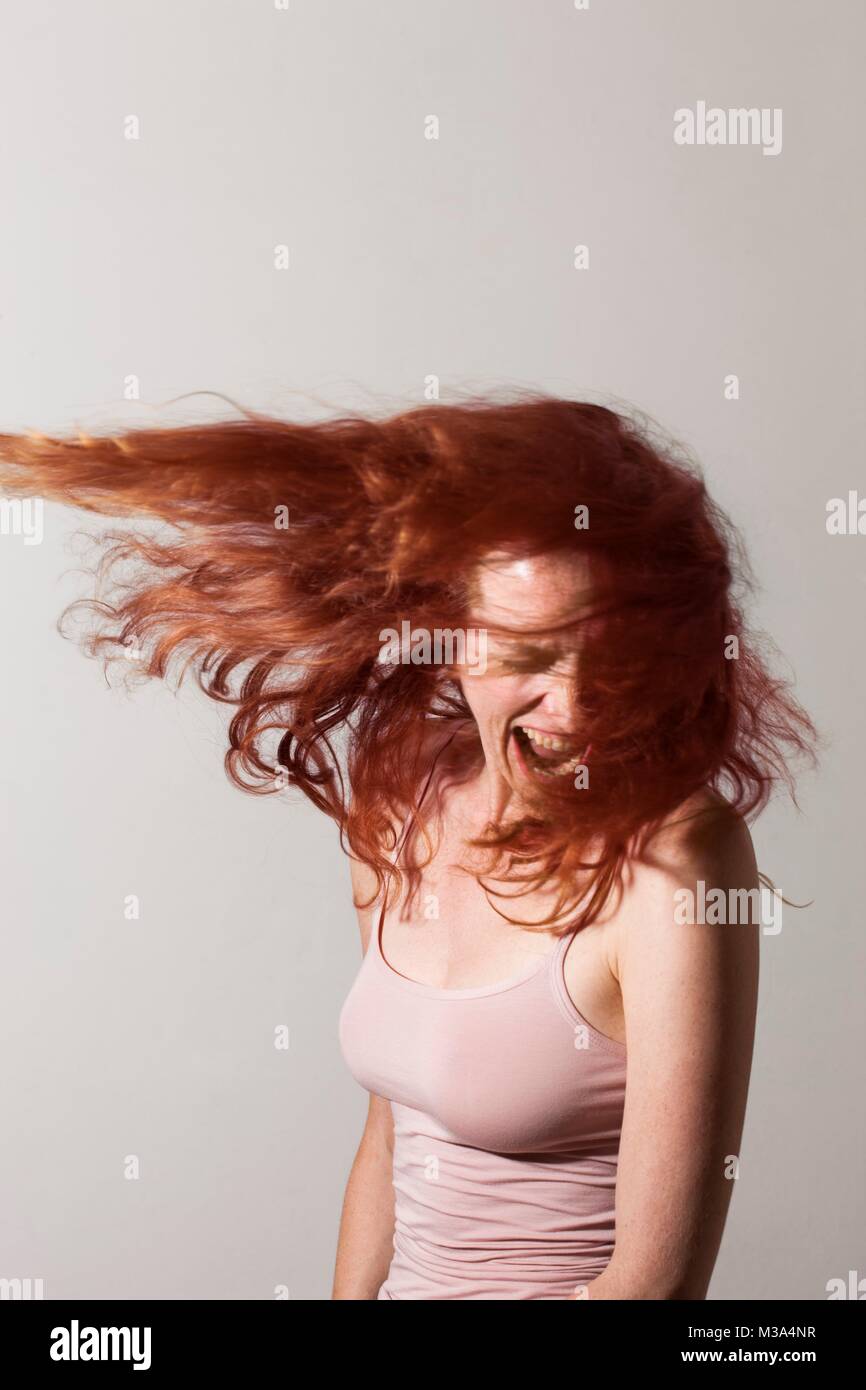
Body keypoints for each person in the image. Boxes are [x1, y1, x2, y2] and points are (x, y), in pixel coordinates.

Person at [0, 391, 816, 1299]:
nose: (578, 707)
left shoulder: (678, 859)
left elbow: (654, 1291)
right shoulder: (404, 801)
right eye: (526, 655)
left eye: (610, 655)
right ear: (449, 638)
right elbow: (391, 1138)